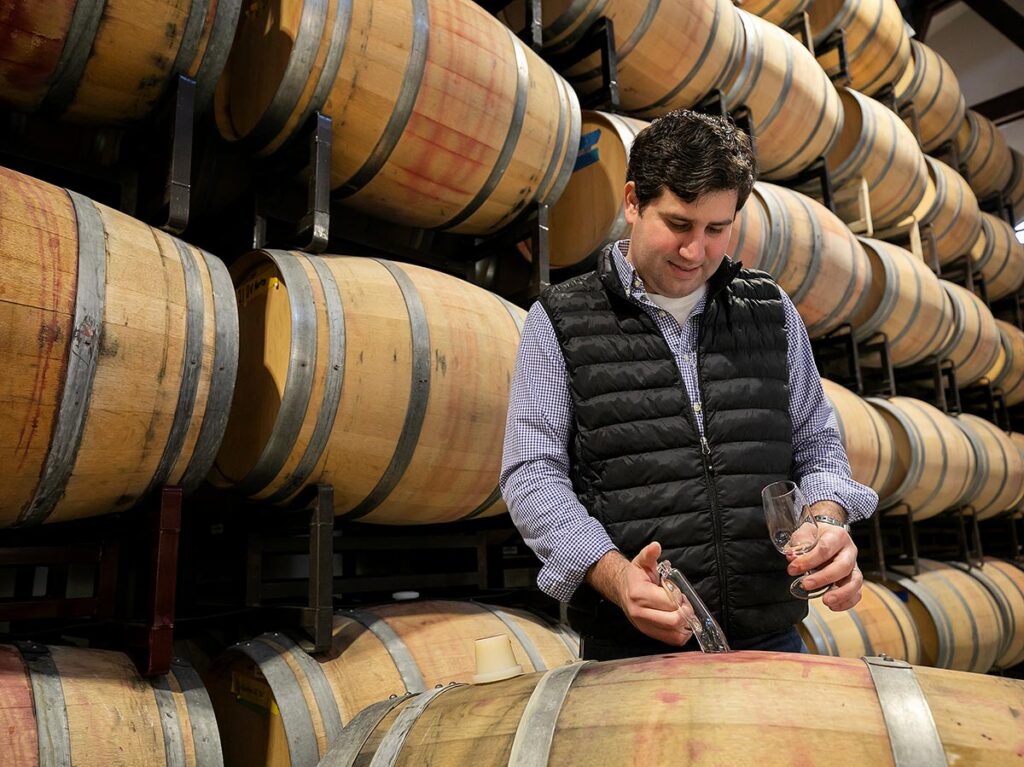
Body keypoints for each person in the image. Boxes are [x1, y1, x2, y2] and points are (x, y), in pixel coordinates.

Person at [499, 109, 878, 661]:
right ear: (633, 201)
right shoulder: (560, 319)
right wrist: (614, 574)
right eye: (678, 224)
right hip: (632, 649)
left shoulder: (769, 310)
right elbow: (533, 474)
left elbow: (818, 447)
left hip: (772, 638)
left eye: (716, 229)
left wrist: (825, 524)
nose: (694, 251)